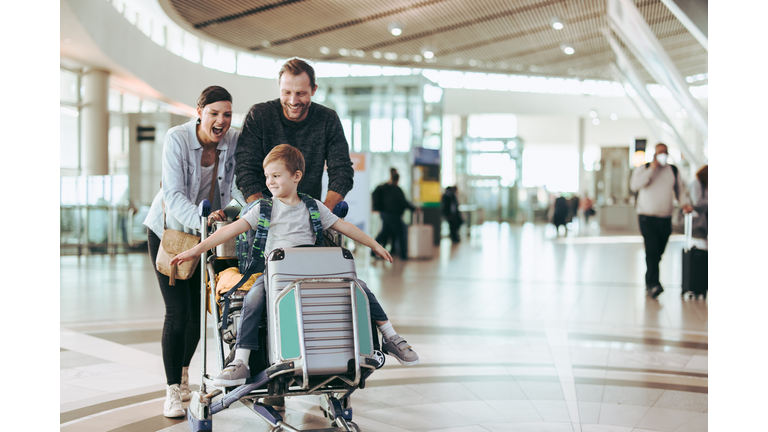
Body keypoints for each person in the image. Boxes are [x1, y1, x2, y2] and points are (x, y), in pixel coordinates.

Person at [171, 145, 420, 408]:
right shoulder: (262, 209)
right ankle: (241, 360)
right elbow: (231, 230)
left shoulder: (313, 207)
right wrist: (197, 249)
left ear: (296, 176)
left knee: (360, 287)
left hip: (312, 272)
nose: (270, 181)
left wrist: (375, 244)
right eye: (268, 176)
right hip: (277, 273)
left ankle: (390, 337)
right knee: (254, 296)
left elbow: (342, 226)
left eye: (277, 176)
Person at [143, 86, 244, 418]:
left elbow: (236, 186)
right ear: (199, 111)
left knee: (197, 316)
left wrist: (232, 216)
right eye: (214, 113)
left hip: (204, 237)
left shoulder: (233, 140)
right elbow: (172, 194)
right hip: (169, 232)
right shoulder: (177, 138)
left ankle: (185, 374)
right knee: (177, 311)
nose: (221, 121)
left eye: (227, 114)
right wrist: (203, 220)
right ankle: (172, 389)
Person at [235, 58, 353, 211]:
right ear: (279, 88)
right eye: (287, 92)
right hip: (263, 214)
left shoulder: (328, 119)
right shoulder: (259, 115)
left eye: (301, 93)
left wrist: (324, 213)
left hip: (309, 215)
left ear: (314, 90)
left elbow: (342, 170)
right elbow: (245, 169)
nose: (293, 101)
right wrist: (263, 212)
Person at [629, 143, 693, 299]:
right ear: (654, 154)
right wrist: (652, 169)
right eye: (660, 153)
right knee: (651, 250)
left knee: (658, 252)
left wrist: (684, 204)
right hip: (646, 216)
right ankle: (653, 284)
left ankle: (650, 279)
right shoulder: (644, 168)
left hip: (665, 218)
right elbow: (635, 185)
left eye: (665, 152)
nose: (662, 155)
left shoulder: (673, 170)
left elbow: (680, 190)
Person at [372, 168, 415, 258]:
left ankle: (373, 251)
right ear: (397, 179)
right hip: (393, 215)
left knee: (384, 233)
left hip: (384, 214)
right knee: (401, 233)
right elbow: (403, 203)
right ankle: (403, 255)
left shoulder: (383, 188)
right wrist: (414, 208)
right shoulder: (396, 190)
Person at [689, 164, 708, 246]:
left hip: (706, 217)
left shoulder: (706, 185)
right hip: (700, 217)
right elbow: (697, 201)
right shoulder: (697, 183)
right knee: (702, 244)